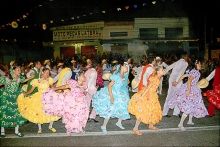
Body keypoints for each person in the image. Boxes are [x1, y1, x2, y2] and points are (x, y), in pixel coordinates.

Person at [168, 60, 208, 131]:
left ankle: (190, 120)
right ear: (196, 64)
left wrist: (177, 82)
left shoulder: (192, 70)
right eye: (199, 64)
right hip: (191, 89)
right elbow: (189, 80)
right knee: (189, 106)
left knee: (192, 105)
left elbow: (184, 76)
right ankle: (180, 124)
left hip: (192, 89)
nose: (200, 65)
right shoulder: (195, 72)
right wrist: (189, 90)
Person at [17, 68, 60, 134]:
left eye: (48, 73)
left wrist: (59, 92)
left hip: (48, 97)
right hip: (39, 97)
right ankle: (39, 128)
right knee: (39, 112)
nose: (47, 74)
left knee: (52, 111)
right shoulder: (37, 81)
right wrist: (25, 93)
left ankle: (50, 126)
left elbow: (53, 88)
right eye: (45, 72)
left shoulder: (50, 80)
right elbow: (31, 90)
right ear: (42, 72)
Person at [92, 64, 130, 135]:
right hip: (112, 93)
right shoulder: (117, 76)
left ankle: (119, 122)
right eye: (125, 66)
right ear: (121, 67)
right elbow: (109, 86)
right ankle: (103, 126)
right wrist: (112, 97)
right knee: (109, 110)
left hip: (118, 94)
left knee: (123, 107)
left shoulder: (123, 76)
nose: (127, 67)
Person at [128, 66, 166, 135]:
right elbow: (148, 88)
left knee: (152, 110)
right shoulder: (155, 78)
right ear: (158, 72)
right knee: (143, 111)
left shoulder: (158, 77)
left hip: (152, 95)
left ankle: (150, 125)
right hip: (148, 95)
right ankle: (135, 128)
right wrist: (141, 97)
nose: (163, 70)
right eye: (162, 70)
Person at [0, 66, 34, 137]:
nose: (20, 71)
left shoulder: (19, 78)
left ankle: (17, 131)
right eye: (18, 70)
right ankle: (2, 131)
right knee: (4, 114)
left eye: (20, 70)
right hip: (7, 97)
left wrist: (30, 78)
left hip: (16, 97)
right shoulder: (7, 79)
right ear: (13, 71)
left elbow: (23, 81)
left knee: (18, 113)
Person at [162, 52, 189, 117]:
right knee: (179, 96)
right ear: (185, 56)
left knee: (169, 96)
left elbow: (168, 68)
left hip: (172, 79)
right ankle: (176, 112)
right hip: (177, 81)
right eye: (187, 56)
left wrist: (164, 72)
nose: (188, 58)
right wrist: (176, 81)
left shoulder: (176, 62)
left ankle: (164, 112)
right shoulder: (185, 63)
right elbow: (177, 71)